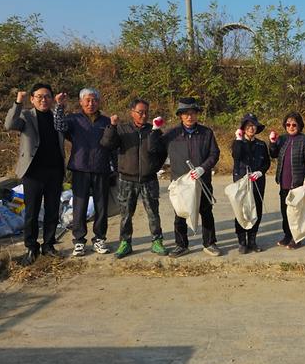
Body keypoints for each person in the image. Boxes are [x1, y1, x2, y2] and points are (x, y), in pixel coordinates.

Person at [151, 97, 222, 258]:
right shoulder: (172, 134)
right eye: (185, 114)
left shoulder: (206, 133)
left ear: (197, 114)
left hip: (202, 180)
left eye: (192, 113)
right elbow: (154, 149)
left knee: (206, 212)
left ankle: (209, 243)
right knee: (180, 214)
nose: (189, 117)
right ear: (180, 116)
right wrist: (155, 130)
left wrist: (203, 168)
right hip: (180, 182)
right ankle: (181, 245)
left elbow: (214, 153)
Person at [5, 83, 65, 264]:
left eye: (47, 96)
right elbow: (9, 124)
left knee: (53, 210)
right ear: (32, 99)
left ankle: (48, 245)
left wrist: (60, 105)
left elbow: (65, 130)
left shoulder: (57, 116)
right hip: (33, 173)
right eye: (39, 96)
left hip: (54, 171)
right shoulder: (26, 116)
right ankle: (31, 247)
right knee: (31, 211)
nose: (43, 100)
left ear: (51, 98)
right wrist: (18, 102)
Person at [100, 98, 167, 259]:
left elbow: (162, 153)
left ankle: (157, 241)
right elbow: (106, 144)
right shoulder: (122, 130)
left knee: (153, 212)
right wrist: (112, 127)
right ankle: (125, 242)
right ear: (132, 113)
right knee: (126, 214)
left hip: (149, 179)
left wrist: (153, 168)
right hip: (126, 179)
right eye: (140, 112)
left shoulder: (154, 130)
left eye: (146, 112)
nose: (144, 115)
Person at [54, 88, 114, 257]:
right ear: (80, 102)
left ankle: (100, 238)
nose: (90, 103)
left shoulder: (107, 121)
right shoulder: (73, 119)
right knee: (79, 206)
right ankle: (79, 241)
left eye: (94, 100)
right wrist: (59, 106)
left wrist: (114, 168)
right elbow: (58, 126)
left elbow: (113, 146)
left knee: (102, 206)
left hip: (101, 169)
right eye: (87, 100)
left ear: (99, 102)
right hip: (80, 168)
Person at [269, 112, 305, 250]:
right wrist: (272, 143)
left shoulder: (304, 140)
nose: (291, 127)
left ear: (299, 125)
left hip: (298, 182)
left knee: (296, 213)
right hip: (284, 182)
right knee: (285, 211)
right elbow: (273, 154)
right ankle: (287, 235)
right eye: (288, 124)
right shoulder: (282, 139)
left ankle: (297, 237)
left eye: (294, 124)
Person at [231, 113, 270, 254]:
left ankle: (252, 240)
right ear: (243, 128)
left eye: (253, 125)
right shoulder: (237, 142)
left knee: (256, 210)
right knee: (241, 211)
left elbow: (266, 162)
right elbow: (236, 156)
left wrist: (260, 172)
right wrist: (238, 139)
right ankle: (242, 241)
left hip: (257, 182)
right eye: (248, 126)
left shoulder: (261, 144)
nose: (251, 128)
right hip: (241, 182)